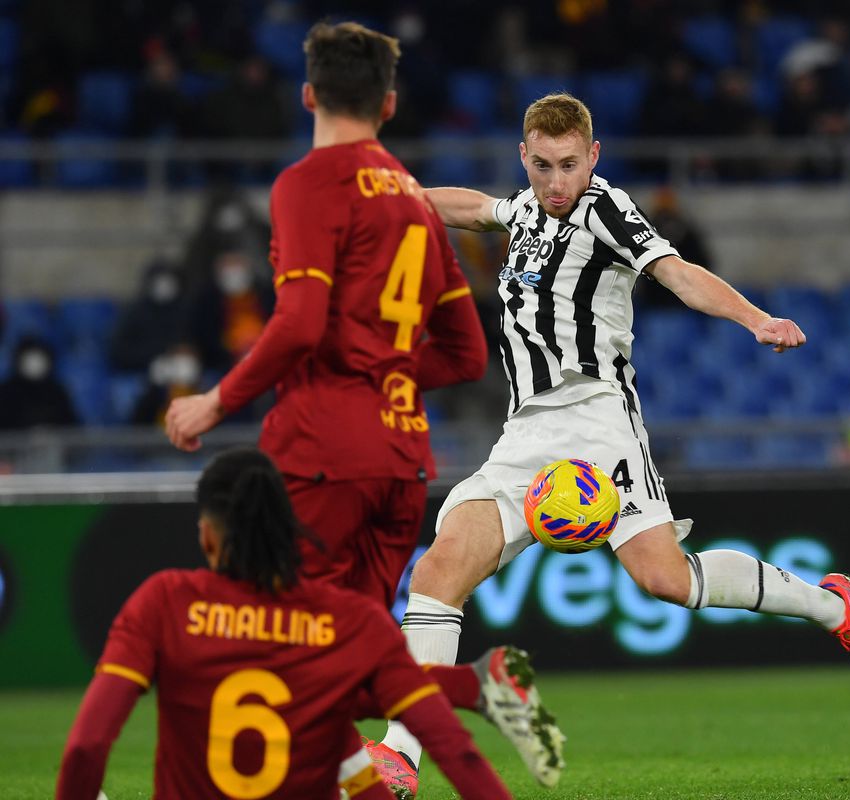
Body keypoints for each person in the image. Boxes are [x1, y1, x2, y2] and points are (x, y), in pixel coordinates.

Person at [392, 90, 850, 771]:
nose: (554, 182)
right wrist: (392, 193)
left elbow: (677, 273)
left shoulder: (605, 209)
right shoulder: (524, 210)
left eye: (569, 165)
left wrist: (756, 320)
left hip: (599, 419)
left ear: (592, 156)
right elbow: (476, 209)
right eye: (541, 166)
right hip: (524, 433)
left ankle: (830, 606)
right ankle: (400, 760)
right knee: (437, 570)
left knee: (667, 582)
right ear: (524, 157)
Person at [162, 21, 561, 795]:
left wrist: (216, 400)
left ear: (308, 93)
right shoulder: (413, 200)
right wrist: (386, 374)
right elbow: (467, 355)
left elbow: (301, 322)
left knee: (263, 642)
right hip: (402, 459)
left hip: (322, 451)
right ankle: (469, 695)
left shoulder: (306, 184)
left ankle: (474, 689)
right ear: (389, 102)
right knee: (339, 660)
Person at [55, 447, 512, 800]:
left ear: (207, 535)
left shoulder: (165, 602)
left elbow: (84, 748)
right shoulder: (349, 622)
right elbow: (458, 755)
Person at [0, 335, 79, 430]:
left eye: (38, 359)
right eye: (30, 359)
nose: (34, 364)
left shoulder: (57, 392)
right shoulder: (6, 393)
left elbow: (72, 427)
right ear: (18, 360)